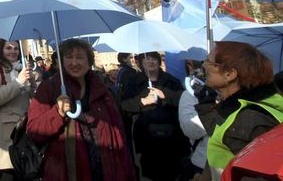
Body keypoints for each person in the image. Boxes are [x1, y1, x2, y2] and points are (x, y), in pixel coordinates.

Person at [27, 39, 135, 180]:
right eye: (69, 57)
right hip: (67, 171)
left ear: (89, 61)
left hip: (105, 169)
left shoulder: (101, 89)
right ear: (61, 60)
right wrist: (57, 113)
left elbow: (117, 132)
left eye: (79, 57)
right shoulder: (49, 88)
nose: (74, 63)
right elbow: (34, 131)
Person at [196, 41, 283, 180]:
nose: (203, 65)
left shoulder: (249, 118)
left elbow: (257, 173)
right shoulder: (259, 104)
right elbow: (223, 140)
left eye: (209, 62)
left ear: (229, 74)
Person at [121, 51, 189, 181]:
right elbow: (123, 105)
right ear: (141, 63)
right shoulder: (133, 82)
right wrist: (142, 101)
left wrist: (166, 95)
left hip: (172, 138)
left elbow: (184, 100)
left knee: (174, 173)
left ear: (159, 62)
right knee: (149, 174)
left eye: (154, 59)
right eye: (147, 59)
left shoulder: (171, 80)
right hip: (146, 138)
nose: (151, 61)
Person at [0, 40, 33, 180]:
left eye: (16, 48)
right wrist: (18, 82)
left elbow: (32, 99)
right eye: (8, 48)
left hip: (24, 134)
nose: (13, 51)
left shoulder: (23, 69)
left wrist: (33, 83)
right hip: (3, 136)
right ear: (1, 50)